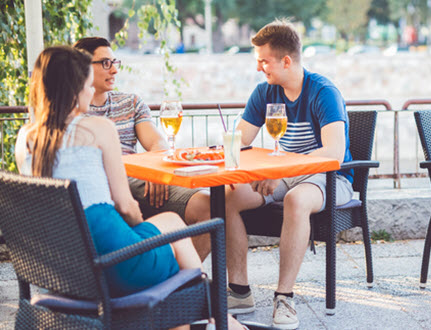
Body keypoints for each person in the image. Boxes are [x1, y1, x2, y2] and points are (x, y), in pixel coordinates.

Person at [15, 46, 244, 329]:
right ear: (74, 90)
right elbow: (126, 206)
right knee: (173, 232)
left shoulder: (25, 137)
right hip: (112, 265)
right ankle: (215, 316)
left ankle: (210, 316)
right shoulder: (97, 128)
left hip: (62, 269)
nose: (91, 92)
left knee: (169, 230)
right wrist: (137, 231)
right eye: (88, 85)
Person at [223, 20, 353, 329]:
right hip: (284, 175)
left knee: (296, 200)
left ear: (286, 60)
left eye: (264, 61)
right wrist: (223, 151)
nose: (259, 67)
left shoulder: (323, 91)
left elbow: (333, 153)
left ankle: (284, 297)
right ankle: (239, 291)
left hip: (331, 179)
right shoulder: (265, 92)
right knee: (227, 198)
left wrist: (280, 169)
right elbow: (240, 139)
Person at [73, 37, 212, 261]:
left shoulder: (130, 102)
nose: (115, 70)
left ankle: (177, 278)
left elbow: (157, 143)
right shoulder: (71, 113)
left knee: (209, 205)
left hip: (137, 181)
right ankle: (171, 278)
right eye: (106, 63)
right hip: (100, 186)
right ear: (83, 67)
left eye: (115, 62)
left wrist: (154, 171)